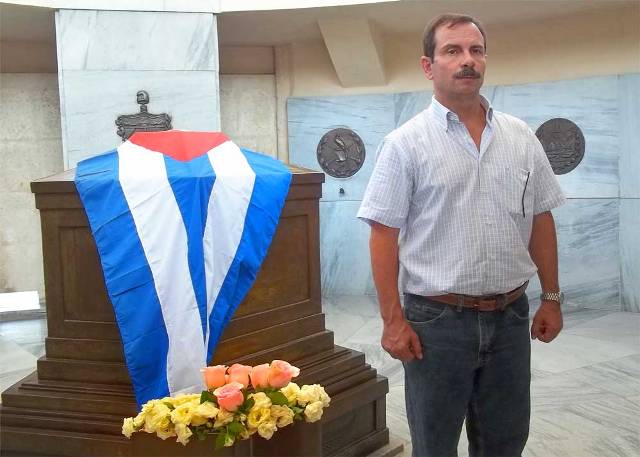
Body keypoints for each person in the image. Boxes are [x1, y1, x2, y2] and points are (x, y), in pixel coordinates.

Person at [357, 13, 566, 457]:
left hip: (511, 317)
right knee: (435, 445)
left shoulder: (521, 137)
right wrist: (393, 320)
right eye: (452, 51)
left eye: (475, 50)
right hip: (437, 323)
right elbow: (382, 234)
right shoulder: (405, 144)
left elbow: (541, 218)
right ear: (428, 66)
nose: (466, 60)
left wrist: (551, 296)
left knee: (505, 443)